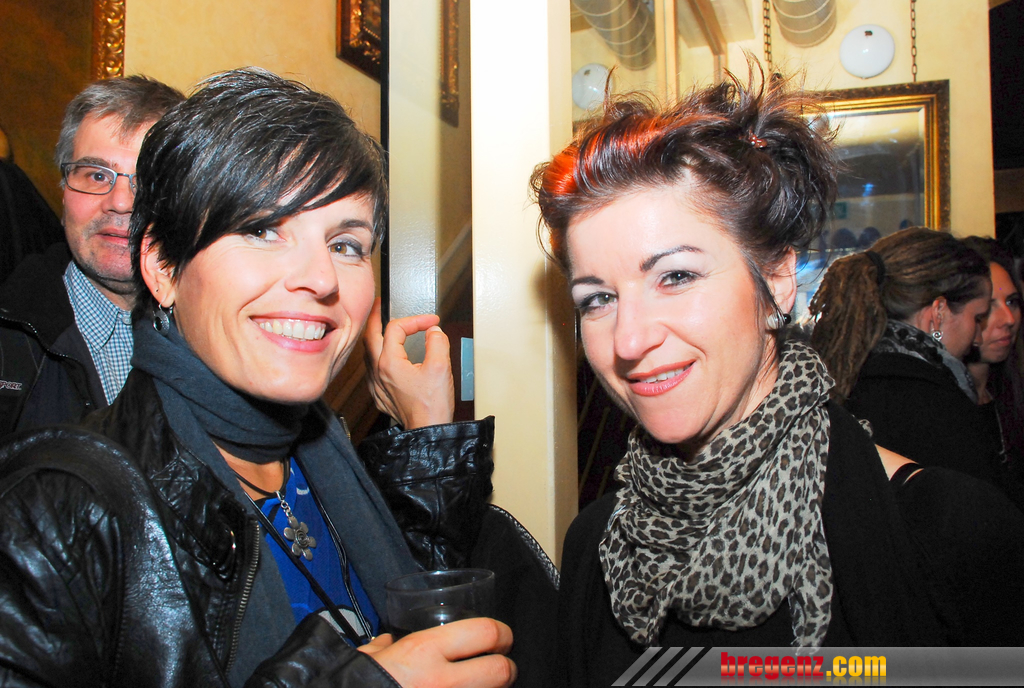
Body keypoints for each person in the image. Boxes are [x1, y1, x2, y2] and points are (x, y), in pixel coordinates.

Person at [0, 69, 518, 687]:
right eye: (261, 229)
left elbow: (405, 603)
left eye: (346, 244)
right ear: (162, 267)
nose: (320, 278)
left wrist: (426, 433)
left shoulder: (324, 453)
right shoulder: (56, 511)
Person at [530, 65, 1024, 685]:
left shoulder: (947, 531)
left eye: (675, 277)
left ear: (778, 280)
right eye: (598, 299)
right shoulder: (594, 549)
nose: (628, 340)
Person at [0, 76, 184, 436]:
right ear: (63, 191)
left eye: (148, 183)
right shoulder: (9, 347)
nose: (121, 202)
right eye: (97, 175)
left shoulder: (229, 335)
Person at [810, 228, 1021, 507]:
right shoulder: (939, 407)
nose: (978, 338)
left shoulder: (852, 379)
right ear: (938, 313)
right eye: (978, 318)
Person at [961, 236, 1024, 493]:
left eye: (1012, 302)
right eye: (989, 306)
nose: (1008, 319)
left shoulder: (1010, 394)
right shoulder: (938, 404)